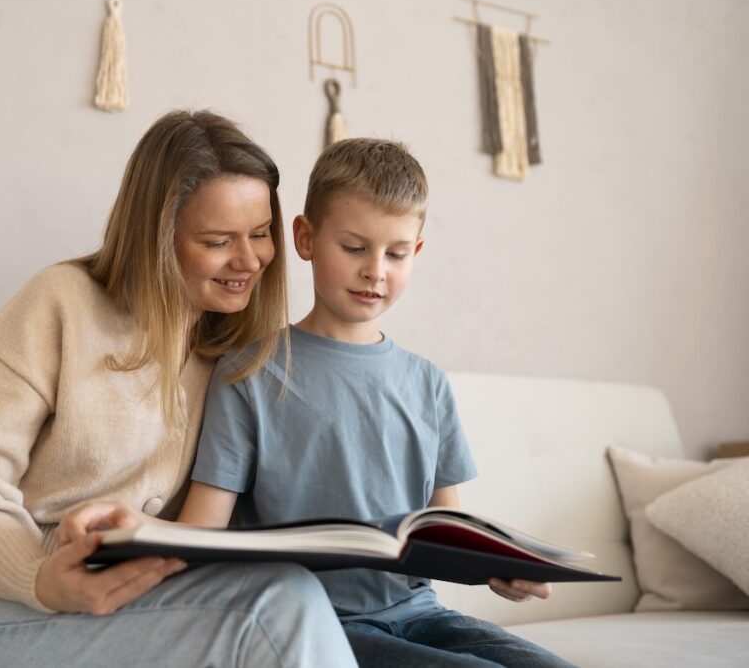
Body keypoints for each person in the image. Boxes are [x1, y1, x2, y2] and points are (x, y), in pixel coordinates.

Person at [0, 110, 358, 668]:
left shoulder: (241, 347)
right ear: (158, 238)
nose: (249, 260)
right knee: (277, 608)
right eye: (217, 241)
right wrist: (40, 577)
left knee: (290, 597)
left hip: (133, 599)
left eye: (260, 234)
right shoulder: (60, 304)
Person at [176, 138, 576, 667]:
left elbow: (445, 528)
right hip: (316, 623)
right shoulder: (249, 373)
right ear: (305, 238)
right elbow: (203, 528)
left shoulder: (427, 383)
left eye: (396, 253)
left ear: (418, 252)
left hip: (421, 612)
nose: (376, 271)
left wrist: (500, 568)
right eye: (354, 247)